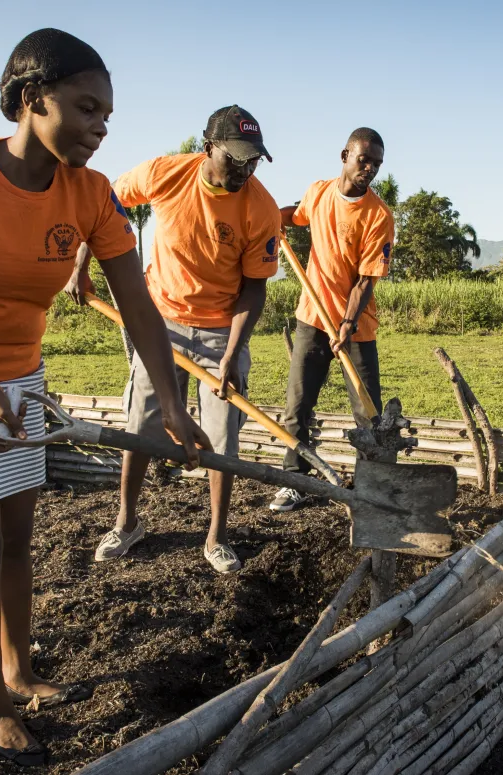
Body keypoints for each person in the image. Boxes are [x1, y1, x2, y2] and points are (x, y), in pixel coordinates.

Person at [0, 28, 207, 767]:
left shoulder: (90, 194)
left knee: (21, 536)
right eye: (86, 108)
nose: (100, 127)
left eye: (108, 117)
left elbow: (142, 308)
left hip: (17, 375)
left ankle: (20, 668)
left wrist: (174, 402)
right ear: (33, 99)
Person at [76, 105, 281, 572]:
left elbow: (254, 288)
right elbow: (102, 203)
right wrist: (81, 262)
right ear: (208, 148)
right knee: (142, 426)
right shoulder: (167, 173)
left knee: (222, 435)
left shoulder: (261, 208)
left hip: (219, 332)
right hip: (158, 323)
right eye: (236, 159)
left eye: (253, 162)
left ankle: (217, 536)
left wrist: (231, 354)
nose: (245, 171)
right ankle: (128, 522)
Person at [270, 128, 394, 513]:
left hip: (356, 328)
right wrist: (272, 218)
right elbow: (297, 214)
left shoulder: (378, 215)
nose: (369, 168)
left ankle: (372, 488)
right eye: (364, 160)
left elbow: (364, 280)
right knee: (298, 405)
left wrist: (346, 325)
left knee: (366, 411)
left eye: (376, 163)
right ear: (345, 156)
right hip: (312, 318)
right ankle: (295, 480)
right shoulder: (319, 192)